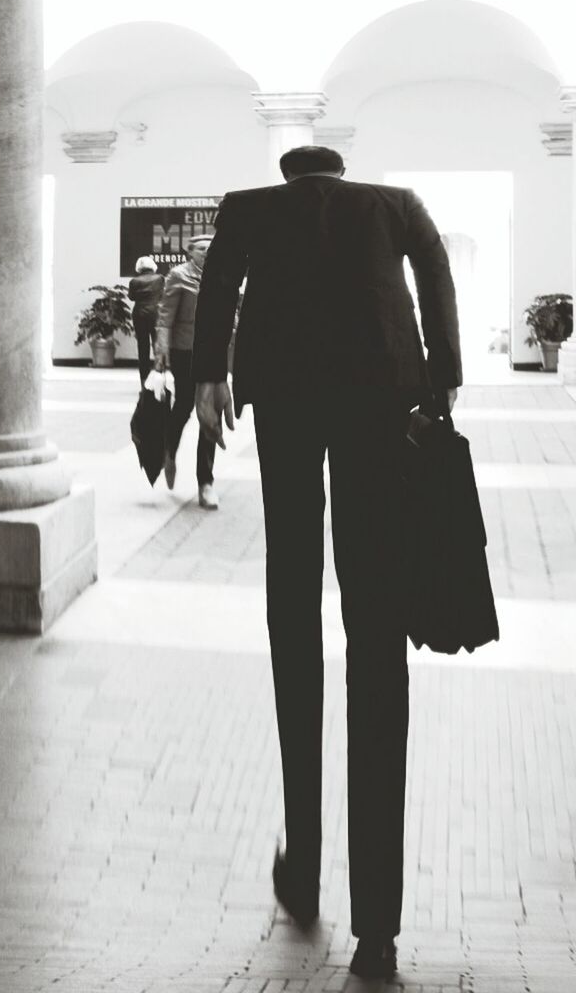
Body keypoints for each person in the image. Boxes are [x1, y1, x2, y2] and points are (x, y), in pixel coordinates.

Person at [191, 146, 461, 981]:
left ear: (290, 171)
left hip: (287, 395)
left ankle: (303, 872)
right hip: (382, 394)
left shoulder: (250, 207)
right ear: (338, 173)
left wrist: (209, 376)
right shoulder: (393, 203)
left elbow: (220, 285)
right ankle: (377, 927)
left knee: (292, 608)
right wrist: (443, 374)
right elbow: (436, 272)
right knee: (374, 634)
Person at [155, 234, 219, 509]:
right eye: (202, 249)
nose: (207, 253)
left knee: (210, 414)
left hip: (213, 352)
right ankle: (169, 453)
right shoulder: (178, 276)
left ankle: (206, 482)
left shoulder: (221, 274)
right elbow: (165, 315)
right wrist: (161, 351)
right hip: (184, 352)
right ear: (190, 252)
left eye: (211, 249)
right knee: (183, 407)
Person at [128, 255, 165, 384]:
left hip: (140, 315)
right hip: (157, 314)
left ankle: (144, 380)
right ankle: (159, 378)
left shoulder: (134, 281)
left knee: (142, 348)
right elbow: (163, 294)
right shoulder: (160, 278)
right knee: (158, 347)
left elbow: (131, 297)